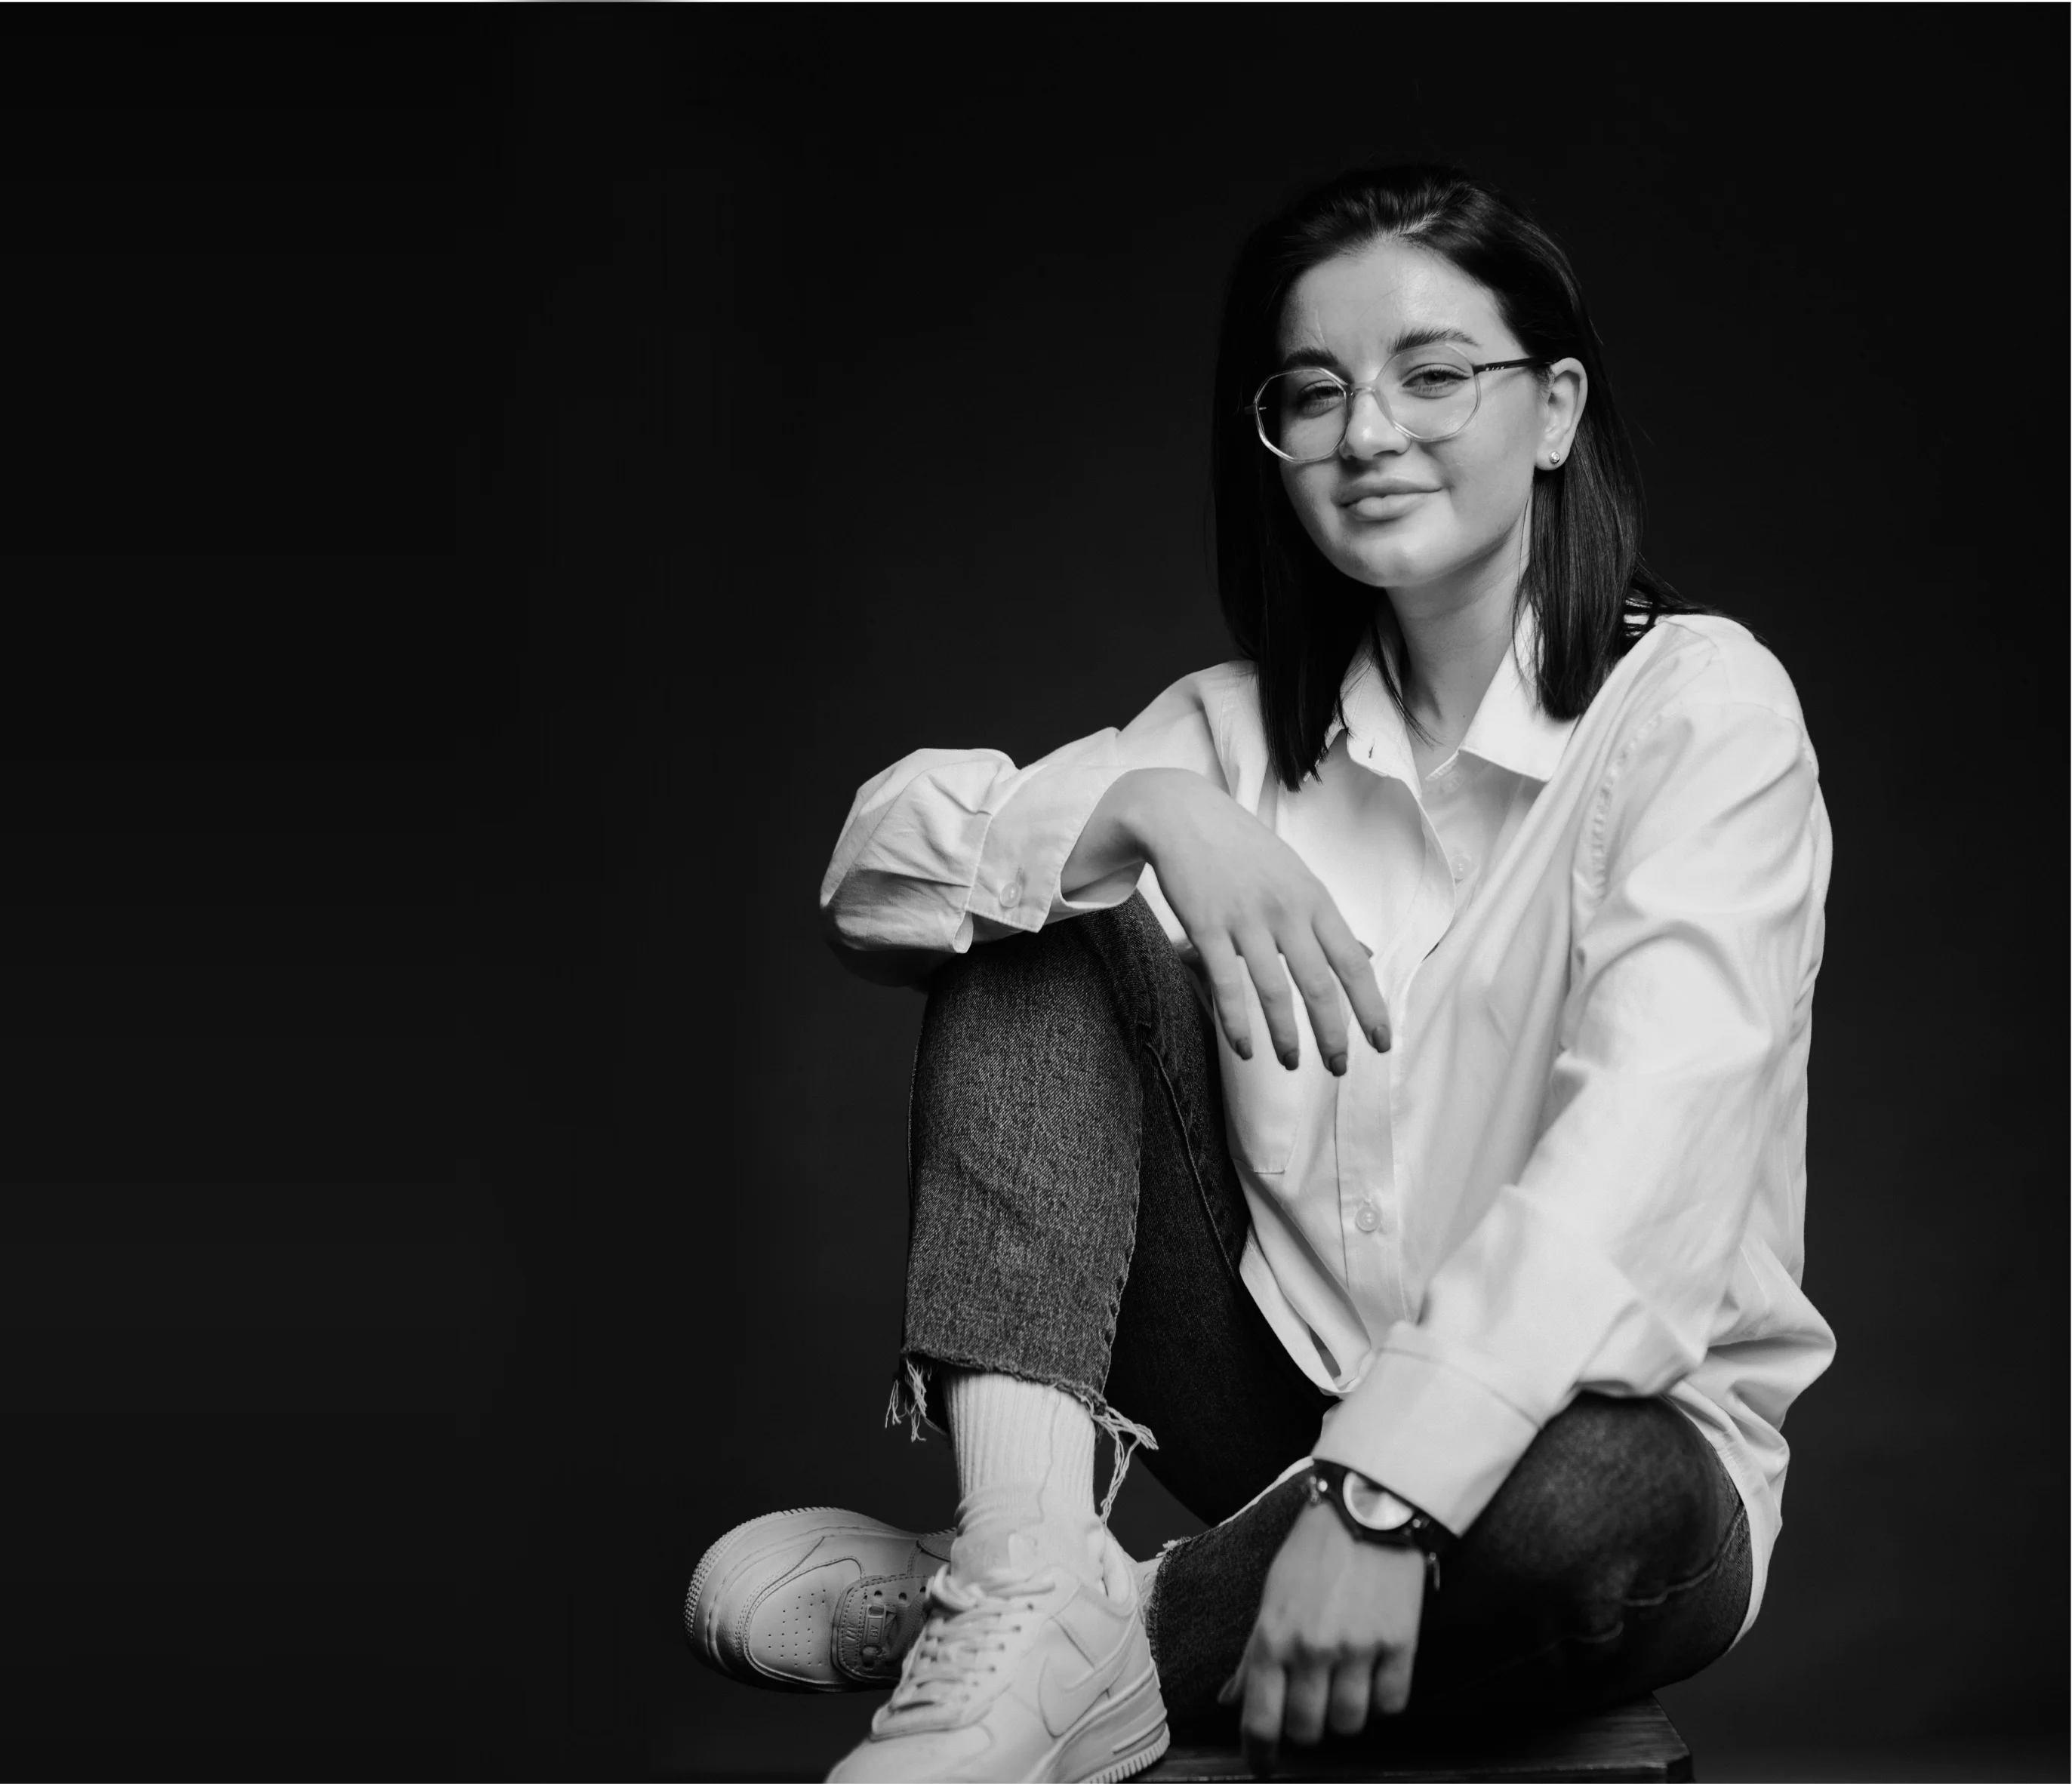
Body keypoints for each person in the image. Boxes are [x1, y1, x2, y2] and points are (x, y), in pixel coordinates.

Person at [682, 165, 1833, 1784]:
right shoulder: (1224, 736)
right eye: (1313, 392)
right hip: (1257, 1398)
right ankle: (1020, 1569)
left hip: (1604, 1453)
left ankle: (1039, 1637)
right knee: (1033, 895)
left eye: (1433, 374)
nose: (1367, 433)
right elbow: (874, 880)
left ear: (1555, 409)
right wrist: (1140, 812)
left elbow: (1644, 1161)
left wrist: (1383, 1496)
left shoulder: (1701, 711)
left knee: (1589, 1502)